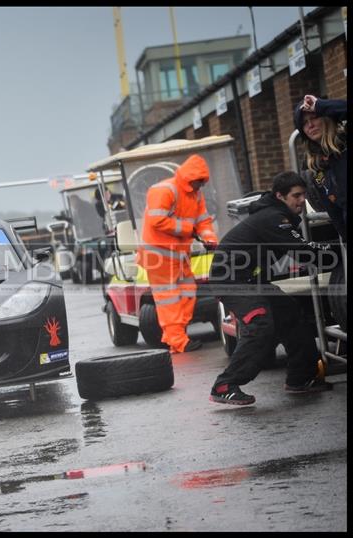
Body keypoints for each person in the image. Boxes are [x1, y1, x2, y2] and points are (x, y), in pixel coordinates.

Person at [208, 172, 332, 405]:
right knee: (261, 323)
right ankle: (224, 385)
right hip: (230, 281)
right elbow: (303, 251)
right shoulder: (274, 217)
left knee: (291, 314)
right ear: (280, 196)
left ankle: (299, 379)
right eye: (296, 196)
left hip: (248, 280)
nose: (301, 201)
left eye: (304, 195)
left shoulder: (277, 215)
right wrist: (337, 251)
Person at [136, 154, 218, 353]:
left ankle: (175, 336)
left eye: (203, 181)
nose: (202, 185)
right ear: (190, 178)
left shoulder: (195, 194)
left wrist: (210, 239)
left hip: (179, 255)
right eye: (199, 181)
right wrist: (188, 229)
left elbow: (203, 221)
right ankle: (178, 341)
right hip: (158, 256)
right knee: (169, 299)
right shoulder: (164, 190)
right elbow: (158, 220)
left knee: (188, 293)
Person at [293, 94, 346, 242]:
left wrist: (321, 106)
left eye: (314, 117)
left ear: (326, 117)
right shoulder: (315, 164)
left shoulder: (345, 142)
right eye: (304, 123)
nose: (310, 125)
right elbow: (331, 207)